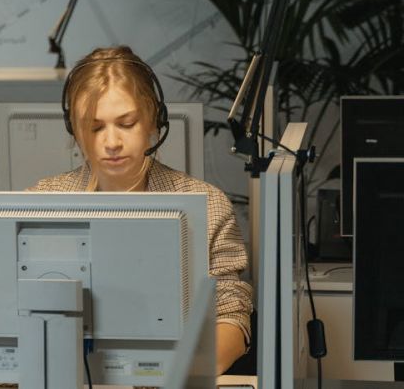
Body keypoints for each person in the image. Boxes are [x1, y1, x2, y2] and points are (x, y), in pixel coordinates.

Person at [29, 45, 253, 375]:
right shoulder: (42, 202)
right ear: (74, 132)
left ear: (153, 121)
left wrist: (190, 370)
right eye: (95, 127)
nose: (112, 142)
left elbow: (232, 313)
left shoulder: (207, 204)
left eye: (127, 123)